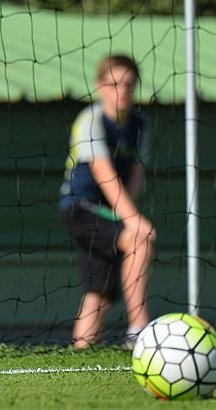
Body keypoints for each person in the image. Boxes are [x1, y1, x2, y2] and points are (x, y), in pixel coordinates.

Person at [58, 54, 156, 348]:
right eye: (114, 84)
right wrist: (132, 219)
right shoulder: (90, 119)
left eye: (128, 84)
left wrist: (124, 212)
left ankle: (81, 351)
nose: (121, 91)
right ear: (100, 86)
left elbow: (137, 173)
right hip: (81, 210)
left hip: (111, 213)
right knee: (142, 238)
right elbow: (103, 172)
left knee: (100, 291)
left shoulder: (140, 124)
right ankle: (139, 328)